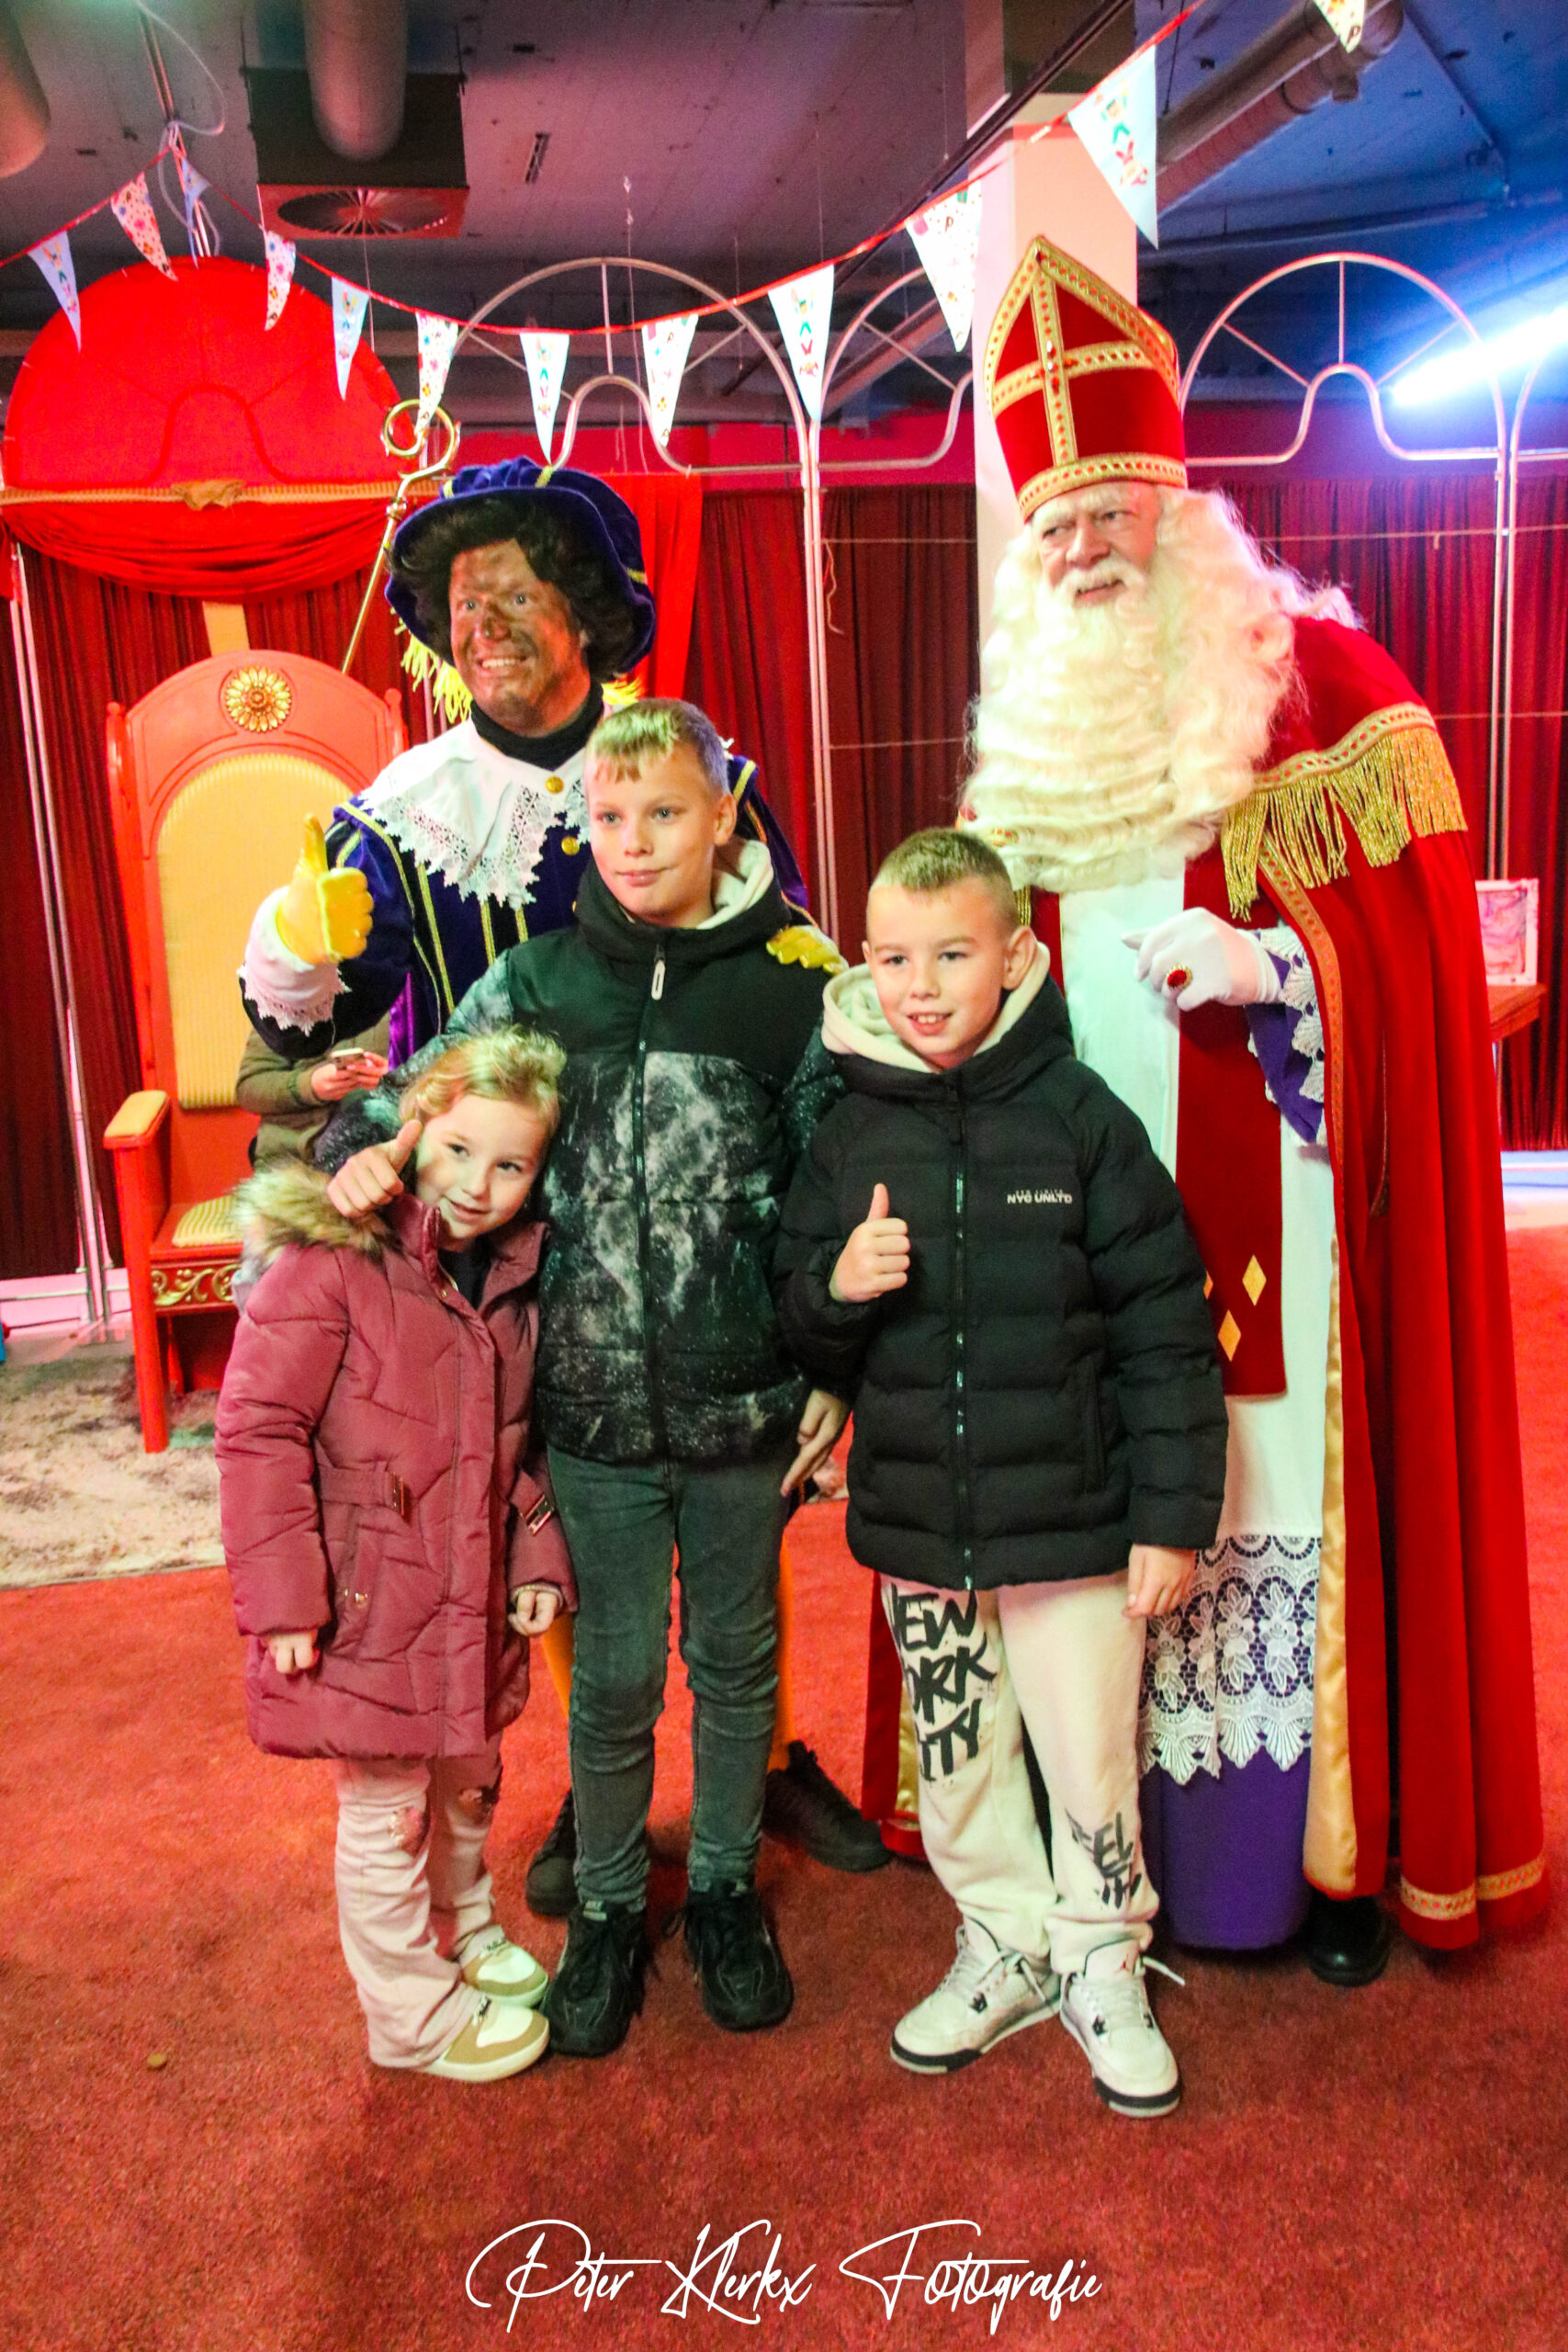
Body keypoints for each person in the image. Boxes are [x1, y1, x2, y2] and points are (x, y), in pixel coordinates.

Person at [940, 232, 1545, 1979]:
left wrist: (1280, 965)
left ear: (1173, 503)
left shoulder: (1325, 692)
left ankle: (1315, 1867)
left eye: (1103, 511)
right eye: (1049, 525)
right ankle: (1093, 1857)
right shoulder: (1024, 741)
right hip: (1077, 1228)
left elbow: (1417, 971)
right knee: (1097, 1514)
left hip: (1277, 1205)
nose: (1077, 549)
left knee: (1271, 1496)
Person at [238, 455, 882, 1891]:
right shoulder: (401, 811)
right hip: (517, 1226)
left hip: (706, 1219)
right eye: (463, 608)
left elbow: (778, 962)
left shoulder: (685, 771)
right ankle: (608, 1795)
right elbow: (322, 1032)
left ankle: (767, 1754)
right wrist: (298, 945)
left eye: (515, 596)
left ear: (583, 606)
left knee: (740, 1511)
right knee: (568, 1519)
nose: (484, 629)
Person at [320, 698, 852, 2057]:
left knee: (736, 1664)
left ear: (723, 813)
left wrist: (836, 1369)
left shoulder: (791, 987)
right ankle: (610, 1906)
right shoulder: (535, 983)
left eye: (663, 813)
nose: (633, 840)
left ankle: (722, 1889)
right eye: (607, 817)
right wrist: (362, 1147)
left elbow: (836, 1191)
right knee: (611, 1679)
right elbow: (417, 1100)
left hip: (747, 1413)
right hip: (592, 1417)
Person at [777, 831, 1226, 2116]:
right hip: (921, 1529)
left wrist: (1170, 1520)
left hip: (1072, 1526)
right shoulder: (848, 1126)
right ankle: (1003, 1940)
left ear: (1017, 957)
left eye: (951, 955)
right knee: (959, 1758)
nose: (917, 987)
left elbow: (1163, 1329)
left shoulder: (1082, 1120)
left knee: (1086, 1757)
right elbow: (801, 1322)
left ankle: (1100, 1955)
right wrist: (835, 1287)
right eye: (891, 959)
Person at [216, 1028, 574, 2082]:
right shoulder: (336, 1256)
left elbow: (516, 1447)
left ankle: (462, 1929)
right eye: (459, 1150)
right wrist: (285, 1600)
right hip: (367, 1598)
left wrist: (538, 1561)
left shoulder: (514, 1276)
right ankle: (410, 2016)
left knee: (468, 1780)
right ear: (414, 1128)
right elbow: (258, 1428)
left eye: (510, 1165)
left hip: (467, 1597)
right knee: (385, 1811)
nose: (479, 1185)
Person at [234, 1021, 389, 1167]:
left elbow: (404, 1076)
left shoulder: (401, 1004)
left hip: (381, 1158)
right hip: (293, 1162)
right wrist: (309, 1086)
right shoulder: (282, 1005)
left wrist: (391, 1077)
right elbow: (249, 1088)